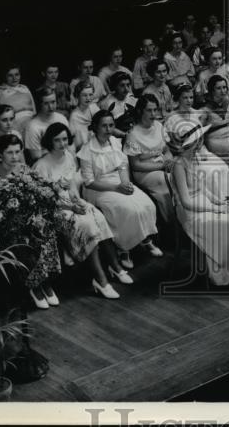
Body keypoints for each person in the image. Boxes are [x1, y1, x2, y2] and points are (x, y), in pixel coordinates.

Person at [168, 123, 229, 291]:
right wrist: (214, 209)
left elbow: (203, 189)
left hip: (205, 204)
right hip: (191, 213)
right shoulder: (179, 164)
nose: (200, 142)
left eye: (200, 139)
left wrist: (219, 201)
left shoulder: (195, 158)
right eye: (198, 139)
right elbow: (185, 201)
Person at [32, 123, 121, 300]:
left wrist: (77, 200)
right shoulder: (41, 165)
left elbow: (72, 185)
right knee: (87, 225)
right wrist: (71, 207)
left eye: (65, 139)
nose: (62, 143)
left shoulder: (69, 157)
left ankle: (115, 266)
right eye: (57, 140)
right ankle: (100, 279)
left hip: (71, 202)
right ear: (49, 141)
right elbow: (44, 200)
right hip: (54, 209)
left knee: (99, 217)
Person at [79, 110, 163, 273]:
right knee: (126, 209)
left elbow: (123, 164)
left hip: (119, 181)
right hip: (99, 187)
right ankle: (124, 249)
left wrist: (125, 182)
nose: (108, 129)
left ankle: (144, 240)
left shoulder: (115, 142)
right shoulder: (87, 150)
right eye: (104, 126)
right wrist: (116, 188)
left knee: (146, 204)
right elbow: (89, 182)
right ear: (95, 127)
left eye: (111, 125)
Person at [0, 135, 62, 309]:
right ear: (0, 154)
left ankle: (45, 282)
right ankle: (34, 286)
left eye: (17, 152)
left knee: (47, 230)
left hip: (30, 216)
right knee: (28, 238)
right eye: (9, 153)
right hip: (9, 222)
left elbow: (39, 190)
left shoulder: (24, 168)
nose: (14, 156)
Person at [165, 84, 229, 199]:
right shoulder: (172, 119)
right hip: (185, 156)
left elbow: (201, 135)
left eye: (191, 97)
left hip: (200, 150)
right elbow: (173, 145)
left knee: (222, 166)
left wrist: (200, 149)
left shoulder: (196, 113)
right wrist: (189, 151)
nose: (189, 101)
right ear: (178, 99)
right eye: (185, 98)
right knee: (209, 172)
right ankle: (216, 200)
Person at [123, 95, 174, 224]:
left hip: (162, 164)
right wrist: (162, 166)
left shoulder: (158, 126)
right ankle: (170, 221)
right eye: (149, 110)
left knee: (183, 172)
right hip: (145, 172)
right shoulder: (133, 134)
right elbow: (135, 165)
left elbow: (167, 150)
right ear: (140, 111)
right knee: (167, 181)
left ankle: (185, 215)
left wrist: (169, 161)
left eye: (155, 110)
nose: (153, 114)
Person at [0, 64, 36, 135]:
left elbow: (34, 110)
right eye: (10, 75)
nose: (14, 78)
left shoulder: (24, 88)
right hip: (11, 129)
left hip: (31, 127)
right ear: (5, 76)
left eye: (17, 74)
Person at [22, 86, 70, 164]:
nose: (50, 107)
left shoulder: (62, 118)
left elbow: (70, 146)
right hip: (45, 165)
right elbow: (36, 157)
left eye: (53, 102)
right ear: (40, 104)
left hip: (64, 161)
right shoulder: (32, 127)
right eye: (46, 103)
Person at [203, 75, 229, 161]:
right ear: (212, 91)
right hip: (215, 138)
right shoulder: (205, 109)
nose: (223, 91)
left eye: (224, 87)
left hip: (228, 133)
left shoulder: (226, 100)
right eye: (218, 88)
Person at [69, 81, 99, 150]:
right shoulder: (74, 116)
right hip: (83, 147)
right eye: (84, 95)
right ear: (78, 96)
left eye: (90, 95)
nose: (88, 98)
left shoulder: (94, 107)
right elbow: (76, 140)